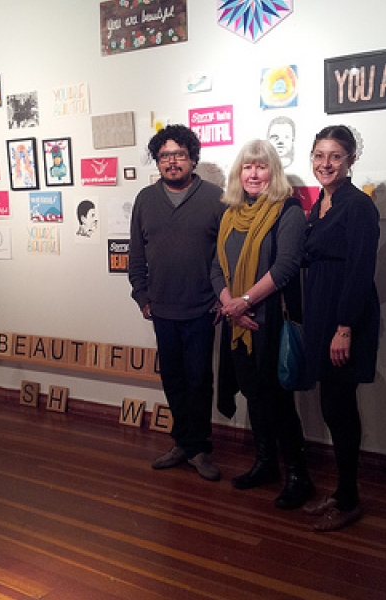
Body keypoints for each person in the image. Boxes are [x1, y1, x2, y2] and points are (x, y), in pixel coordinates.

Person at [211, 139, 314, 509]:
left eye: (261, 167)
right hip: (237, 323)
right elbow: (215, 267)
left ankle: (299, 476)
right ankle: (265, 463)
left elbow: (285, 266)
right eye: (247, 167)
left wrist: (245, 301)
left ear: (273, 172)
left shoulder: (287, 211)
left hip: (268, 322)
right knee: (255, 397)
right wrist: (229, 305)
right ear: (240, 173)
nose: (253, 174)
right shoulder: (230, 214)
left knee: (278, 401)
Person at [128, 124, 225, 481]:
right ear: (157, 160)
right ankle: (182, 443)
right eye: (165, 155)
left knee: (200, 380)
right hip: (162, 309)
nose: (172, 162)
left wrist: (221, 297)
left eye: (179, 155)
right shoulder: (144, 199)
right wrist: (141, 295)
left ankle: (200, 449)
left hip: (202, 308)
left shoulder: (215, 197)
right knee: (173, 379)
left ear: (192, 158)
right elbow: (136, 255)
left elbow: (225, 255)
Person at [302, 125, 380, 532]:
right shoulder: (320, 204)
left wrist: (345, 327)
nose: (325, 164)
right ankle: (341, 491)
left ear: (350, 159)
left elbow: (360, 270)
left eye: (334, 156)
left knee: (340, 408)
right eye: (318, 155)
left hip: (344, 317)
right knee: (332, 406)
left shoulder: (358, 206)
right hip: (321, 312)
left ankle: (348, 498)